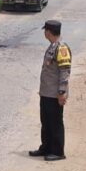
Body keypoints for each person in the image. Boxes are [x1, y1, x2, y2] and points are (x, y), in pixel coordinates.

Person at [29, 20, 71, 161]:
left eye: (45, 30)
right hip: (46, 92)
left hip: (54, 94)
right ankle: (46, 147)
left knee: (55, 122)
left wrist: (62, 92)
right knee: (46, 122)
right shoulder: (52, 47)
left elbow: (64, 72)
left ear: (48, 32)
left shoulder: (61, 48)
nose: (44, 33)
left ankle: (58, 152)